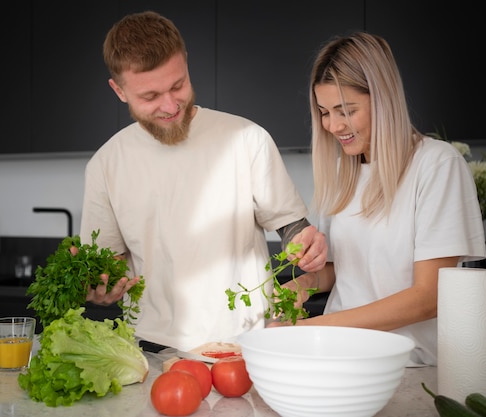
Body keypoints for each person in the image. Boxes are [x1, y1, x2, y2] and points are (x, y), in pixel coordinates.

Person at [79, 11, 327, 352]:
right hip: (150, 348)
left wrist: (307, 243)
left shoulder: (246, 138)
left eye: (178, 85)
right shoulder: (106, 165)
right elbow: (109, 265)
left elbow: (291, 226)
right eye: (150, 96)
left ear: (186, 64)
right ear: (119, 90)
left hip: (246, 343)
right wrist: (101, 290)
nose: (169, 105)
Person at [274, 32, 486, 366]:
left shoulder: (437, 165)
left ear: (383, 99)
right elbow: (339, 270)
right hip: (338, 359)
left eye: (346, 110)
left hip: (408, 365)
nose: (332, 125)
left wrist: (314, 328)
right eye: (324, 111)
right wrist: (298, 286)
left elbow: (429, 297)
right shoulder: (343, 172)